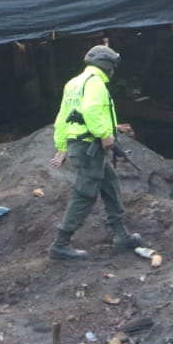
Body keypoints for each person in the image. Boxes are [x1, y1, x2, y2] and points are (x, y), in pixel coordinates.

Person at [48, 45, 145, 260]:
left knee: (109, 183)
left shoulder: (74, 83)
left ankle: (121, 234)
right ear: (107, 65)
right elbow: (91, 110)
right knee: (85, 192)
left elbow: (63, 117)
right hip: (88, 146)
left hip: (82, 145)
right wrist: (105, 135)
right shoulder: (95, 84)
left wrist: (63, 146)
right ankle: (61, 243)